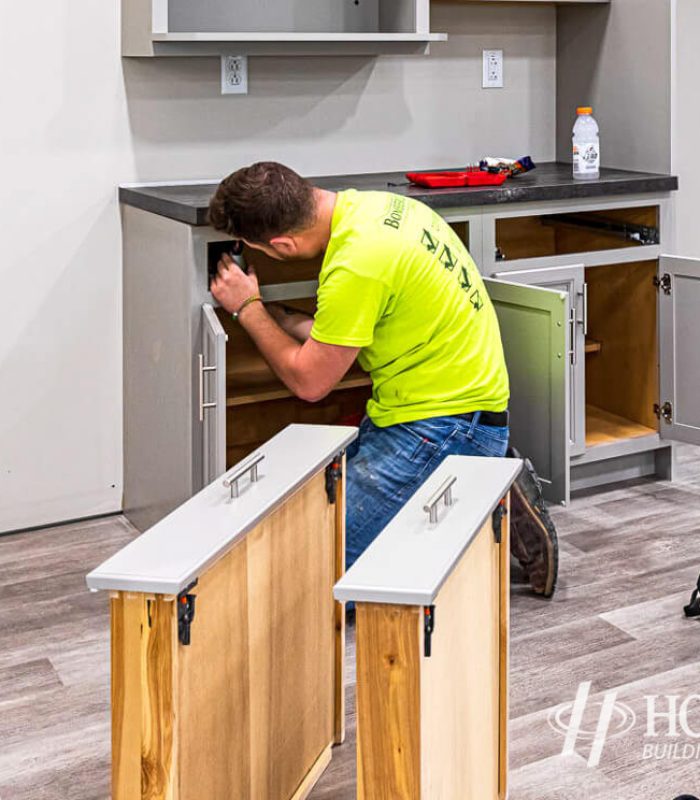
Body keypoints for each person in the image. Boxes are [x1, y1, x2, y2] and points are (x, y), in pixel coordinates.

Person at [208, 161, 555, 592]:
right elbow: (340, 336)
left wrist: (249, 309)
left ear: (282, 243)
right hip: (446, 406)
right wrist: (277, 316)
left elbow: (310, 383)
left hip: (440, 428)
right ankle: (479, 481)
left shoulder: (356, 265)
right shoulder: (379, 209)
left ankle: (481, 496)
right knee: (322, 532)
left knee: (310, 584)